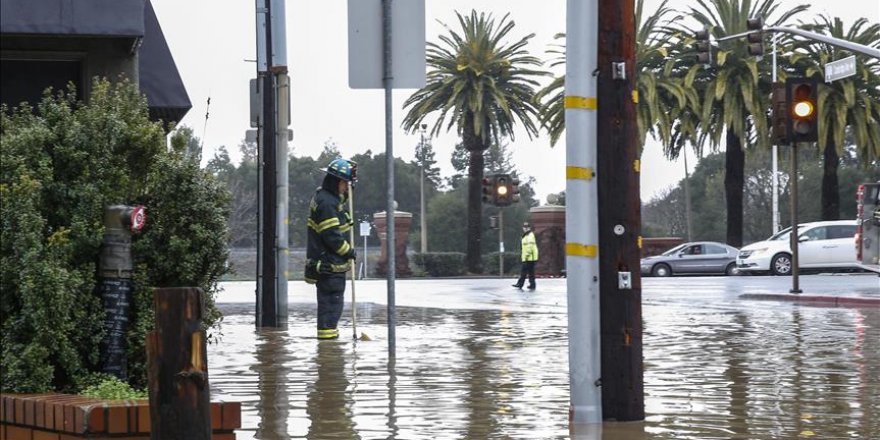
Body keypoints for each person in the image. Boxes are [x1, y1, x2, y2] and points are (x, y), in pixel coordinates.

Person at [305, 158, 357, 340]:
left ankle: (330, 351)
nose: (347, 187)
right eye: (346, 183)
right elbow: (332, 236)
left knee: (331, 311)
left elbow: (340, 206)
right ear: (339, 182)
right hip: (330, 267)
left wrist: (349, 193)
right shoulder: (327, 203)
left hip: (329, 266)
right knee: (331, 310)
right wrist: (349, 251)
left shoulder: (328, 199)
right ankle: (328, 354)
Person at [512, 222, 539, 290]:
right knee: (530, 272)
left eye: (527, 227)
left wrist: (527, 255)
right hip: (529, 257)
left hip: (529, 257)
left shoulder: (530, 235)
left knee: (524, 271)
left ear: (529, 228)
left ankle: (520, 284)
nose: (525, 228)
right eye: (524, 227)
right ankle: (532, 285)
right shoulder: (526, 235)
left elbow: (530, 246)